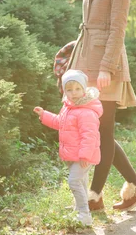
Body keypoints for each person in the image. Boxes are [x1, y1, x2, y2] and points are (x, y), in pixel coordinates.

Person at [69, 0, 136, 212]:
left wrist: (106, 68)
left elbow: (118, 30)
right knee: (98, 131)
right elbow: (90, 26)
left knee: (103, 132)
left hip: (107, 66)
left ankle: (94, 195)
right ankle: (135, 185)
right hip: (86, 61)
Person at [33, 69, 103, 226]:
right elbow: (60, 123)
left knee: (74, 181)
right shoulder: (68, 108)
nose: (74, 93)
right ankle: (80, 209)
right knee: (82, 182)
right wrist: (44, 115)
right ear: (65, 91)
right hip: (72, 155)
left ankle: (84, 214)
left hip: (84, 156)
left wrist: (85, 155)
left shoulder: (86, 112)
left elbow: (89, 136)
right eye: (69, 90)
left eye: (78, 89)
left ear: (84, 89)